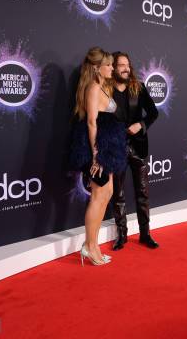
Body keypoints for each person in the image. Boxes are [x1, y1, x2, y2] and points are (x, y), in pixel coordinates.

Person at [69, 47, 126, 266]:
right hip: (98, 149)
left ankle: (94, 245)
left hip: (108, 148)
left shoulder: (104, 86)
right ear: (96, 68)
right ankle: (89, 246)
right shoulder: (93, 88)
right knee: (97, 196)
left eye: (113, 64)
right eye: (109, 65)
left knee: (107, 192)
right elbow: (92, 122)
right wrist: (95, 155)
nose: (112, 68)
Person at [110, 51, 159, 251]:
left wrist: (141, 124)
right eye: (121, 64)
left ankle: (145, 234)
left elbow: (154, 113)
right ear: (113, 67)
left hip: (138, 146)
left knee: (143, 192)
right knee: (118, 194)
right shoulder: (106, 90)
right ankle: (121, 235)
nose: (126, 68)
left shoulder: (138, 88)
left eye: (127, 64)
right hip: (117, 148)